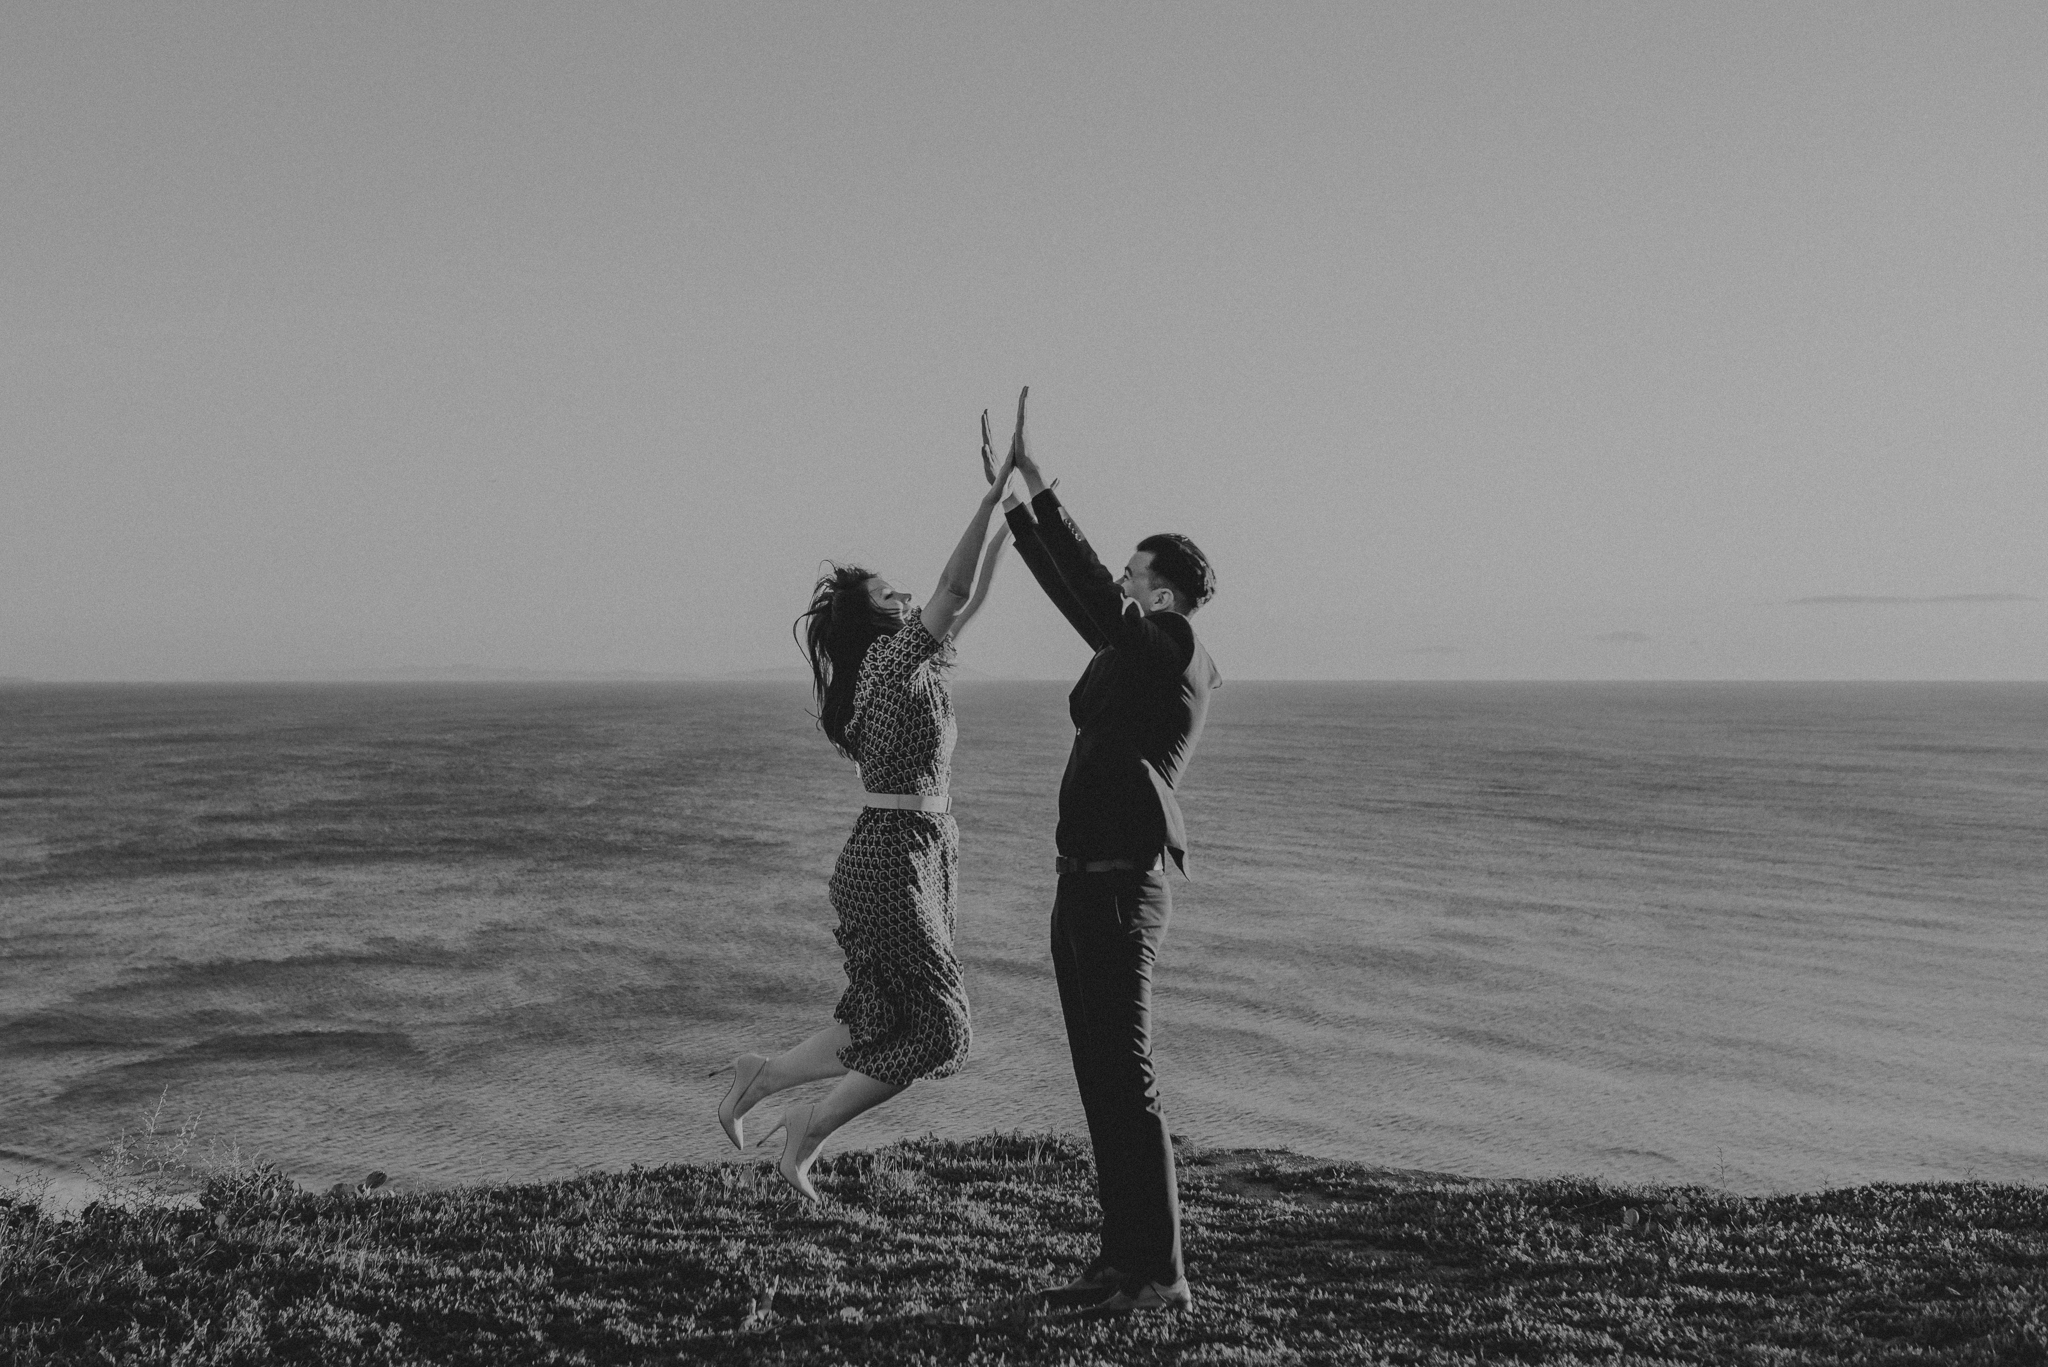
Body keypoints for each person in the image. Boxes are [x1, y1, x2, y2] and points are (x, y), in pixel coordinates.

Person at [713, 424, 1014, 1201]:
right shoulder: (891, 658)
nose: (906, 595)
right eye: (890, 594)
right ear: (873, 622)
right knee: (943, 1028)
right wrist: (988, 495)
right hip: (896, 859)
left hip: (903, 854)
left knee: (879, 1013)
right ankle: (806, 1133)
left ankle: (764, 1076)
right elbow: (952, 592)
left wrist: (1012, 514)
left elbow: (967, 597)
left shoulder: (897, 667)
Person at [998, 387, 1220, 1313]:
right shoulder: (1141, 651)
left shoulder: (1173, 645)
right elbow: (1081, 599)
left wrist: (1040, 489)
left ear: (1161, 592)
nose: (1121, 582)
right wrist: (1014, 513)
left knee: (1127, 1081)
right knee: (1098, 1083)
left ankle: (1162, 1273)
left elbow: (1092, 600)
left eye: (1134, 573)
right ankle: (1120, 1260)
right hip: (1080, 887)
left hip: (1122, 892)